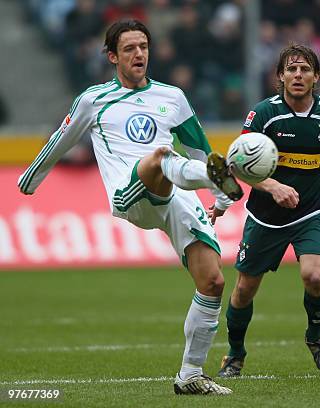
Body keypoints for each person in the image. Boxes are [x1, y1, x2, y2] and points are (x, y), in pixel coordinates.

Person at [17, 19, 243, 396]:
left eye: (144, 46)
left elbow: (202, 148)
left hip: (176, 194)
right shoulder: (93, 100)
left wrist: (220, 197)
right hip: (130, 192)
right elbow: (61, 139)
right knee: (159, 156)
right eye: (129, 48)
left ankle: (190, 374)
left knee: (214, 281)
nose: (139, 54)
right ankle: (206, 177)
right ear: (112, 56)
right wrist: (30, 180)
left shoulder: (172, 97)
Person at [217, 44, 320, 377]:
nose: (298, 75)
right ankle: (234, 354)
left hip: (310, 212)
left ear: (316, 76)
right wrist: (272, 186)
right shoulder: (263, 114)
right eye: (291, 69)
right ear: (280, 76)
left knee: (314, 277)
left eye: (305, 69)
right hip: (266, 216)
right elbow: (236, 164)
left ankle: (315, 337)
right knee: (244, 290)